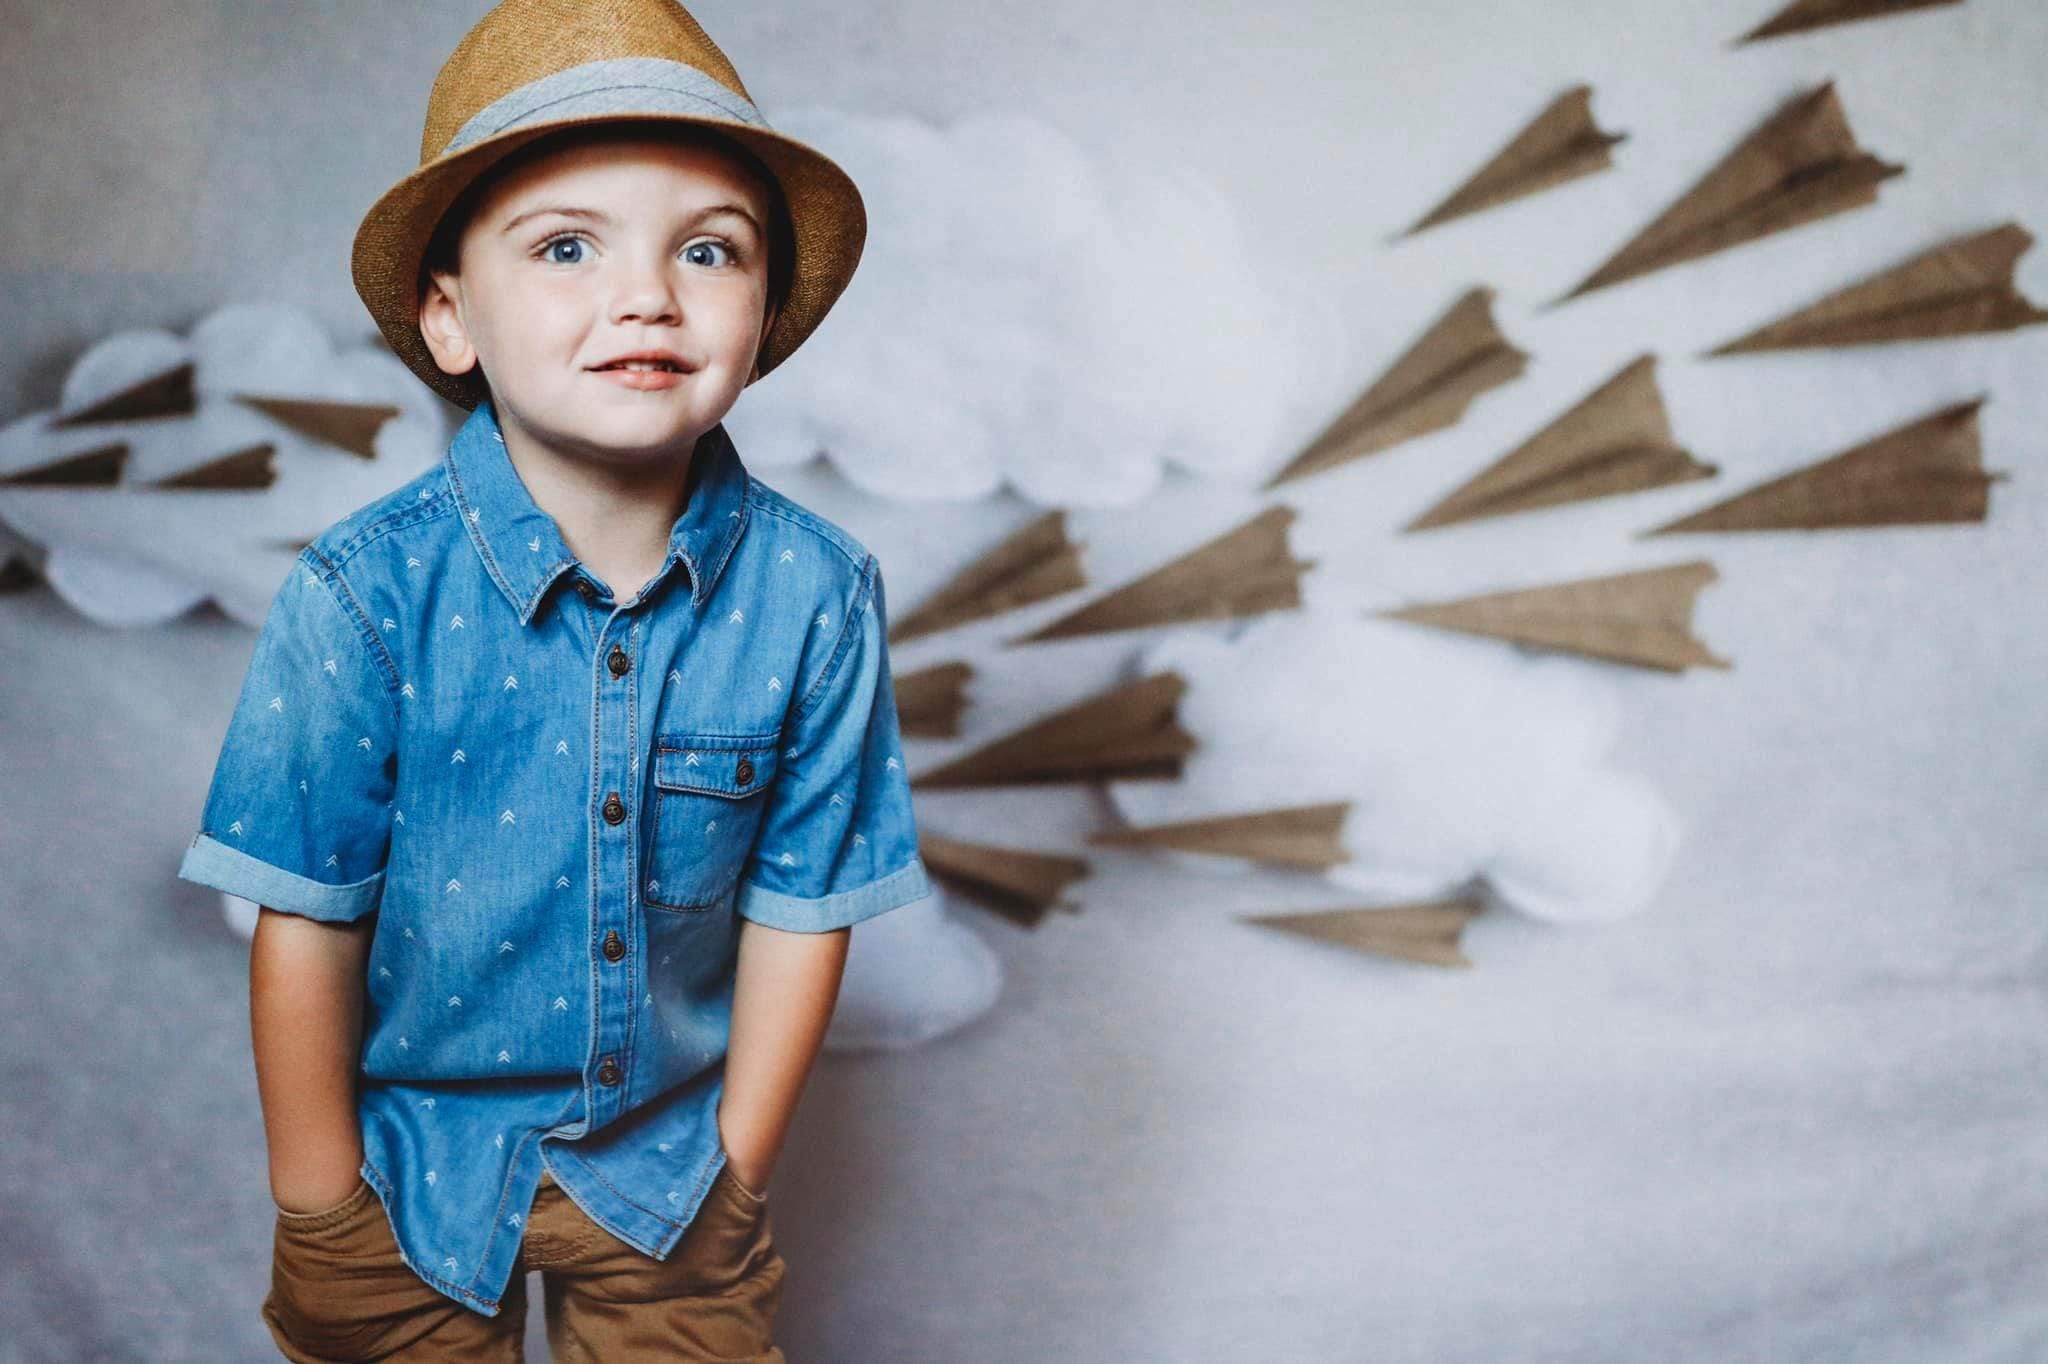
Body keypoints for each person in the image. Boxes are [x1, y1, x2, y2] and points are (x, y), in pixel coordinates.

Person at [176, 2, 932, 1357]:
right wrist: (320, 1202)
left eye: (707, 249)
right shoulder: (362, 594)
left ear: (761, 321)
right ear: (449, 317)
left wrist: (737, 1171)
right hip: (404, 1182)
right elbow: (306, 915)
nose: (646, 295)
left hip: (672, 1178)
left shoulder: (819, 596)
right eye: (567, 245)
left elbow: (805, 909)